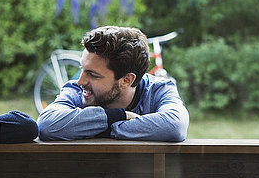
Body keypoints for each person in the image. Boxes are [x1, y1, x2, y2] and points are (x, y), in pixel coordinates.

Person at [37, 26, 189, 141]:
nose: (80, 81)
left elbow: (175, 126)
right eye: (82, 68)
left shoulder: (159, 89)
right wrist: (118, 116)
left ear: (126, 80)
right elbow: (46, 125)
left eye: (92, 74)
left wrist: (104, 128)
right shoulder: (76, 90)